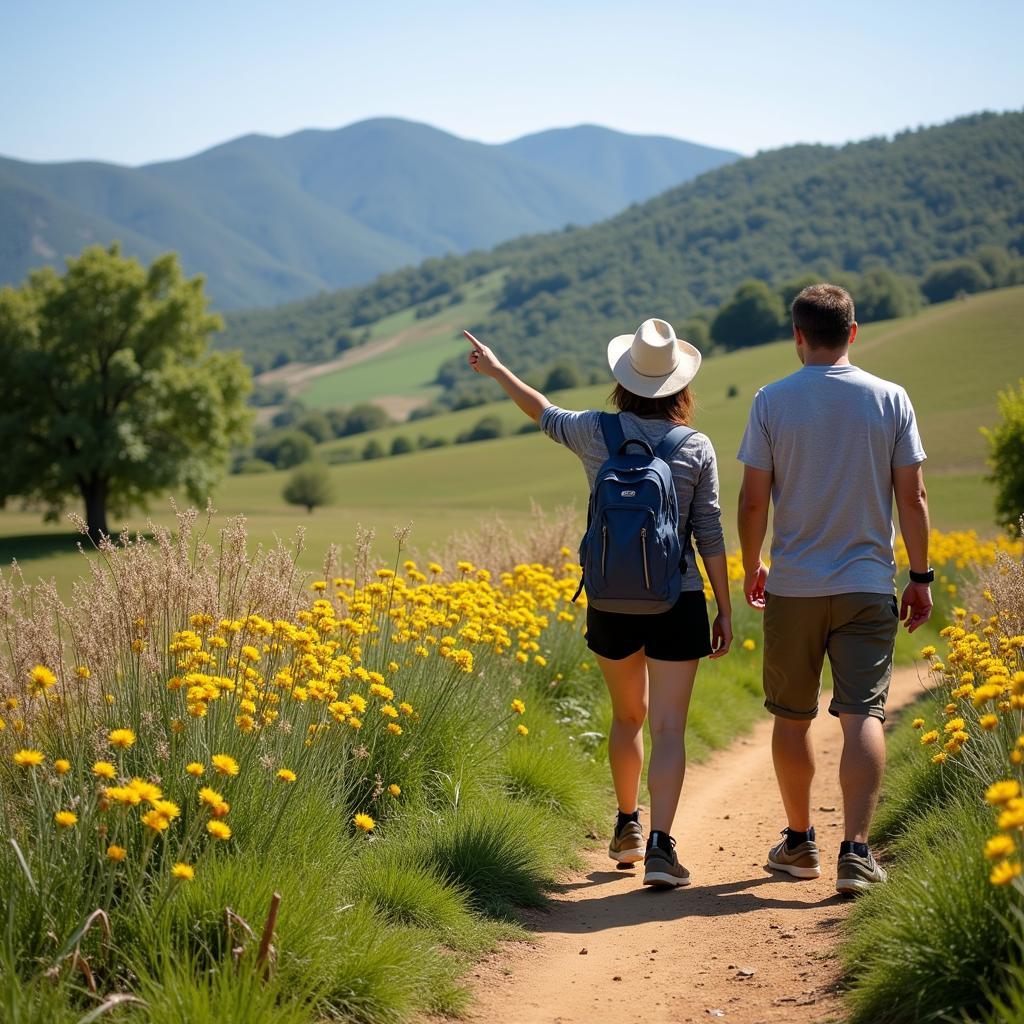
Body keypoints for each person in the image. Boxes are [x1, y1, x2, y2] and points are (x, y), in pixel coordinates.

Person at [466, 318, 732, 888]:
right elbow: (709, 531)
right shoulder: (696, 446)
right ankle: (662, 849)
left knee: (627, 717)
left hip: (609, 600)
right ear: (680, 386)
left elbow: (541, 411)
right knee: (669, 726)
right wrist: (724, 608)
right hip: (677, 599)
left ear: (624, 380)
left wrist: (495, 369)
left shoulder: (594, 432)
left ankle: (627, 826)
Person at [736, 283, 932, 895]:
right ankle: (856, 852)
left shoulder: (771, 401)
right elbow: (913, 498)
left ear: (797, 336)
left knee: (792, 719)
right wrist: (921, 577)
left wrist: (752, 565)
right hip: (868, 584)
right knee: (862, 714)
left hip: (793, 585)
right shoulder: (890, 398)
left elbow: (751, 499)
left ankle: (798, 845)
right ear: (853, 332)